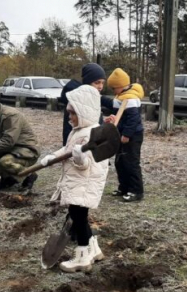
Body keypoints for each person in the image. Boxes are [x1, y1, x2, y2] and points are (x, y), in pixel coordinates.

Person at [40, 85, 108, 273]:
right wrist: (51, 157)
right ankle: (94, 249)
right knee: (80, 217)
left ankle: (83, 257)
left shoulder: (92, 134)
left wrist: (80, 158)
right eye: (68, 113)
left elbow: (87, 165)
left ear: (84, 112)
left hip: (83, 184)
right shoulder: (78, 130)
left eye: (73, 114)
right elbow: (67, 150)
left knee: (79, 217)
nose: (69, 118)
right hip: (77, 183)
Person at [105, 68, 144, 202]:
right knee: (120, 162)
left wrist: (127, 134)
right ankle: (124, 187)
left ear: (120, 86)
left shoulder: (131, 98)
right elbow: (114, 108)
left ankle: (136, 191)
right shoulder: (121, 96)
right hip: (121, 134)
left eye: (113, 88)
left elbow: (133, 119)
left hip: (132, 136)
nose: (112, 91)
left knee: (131, 163)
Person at [59, 63, 115, 146]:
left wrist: (104, 123)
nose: (101, 86)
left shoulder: (90, 99)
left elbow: (89, 124)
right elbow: (80, 129)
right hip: (78, 148)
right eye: (97, 82)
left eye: (102, 83)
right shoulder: (78, 101)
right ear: (87, 82)